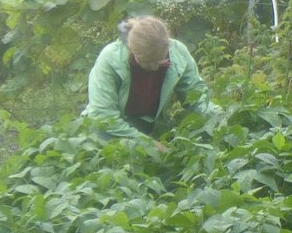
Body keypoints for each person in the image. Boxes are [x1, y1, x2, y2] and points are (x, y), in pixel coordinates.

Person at [82, 15, 215, 140]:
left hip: (150, 128)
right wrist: (149, 144)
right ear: (133, 50)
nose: (155, 68)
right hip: (106, 134)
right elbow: (103, 116)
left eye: (160, 61)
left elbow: (196, 96)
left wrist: (220, 116)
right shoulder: (110, 59)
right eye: (148, 62)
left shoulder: (178, 53)